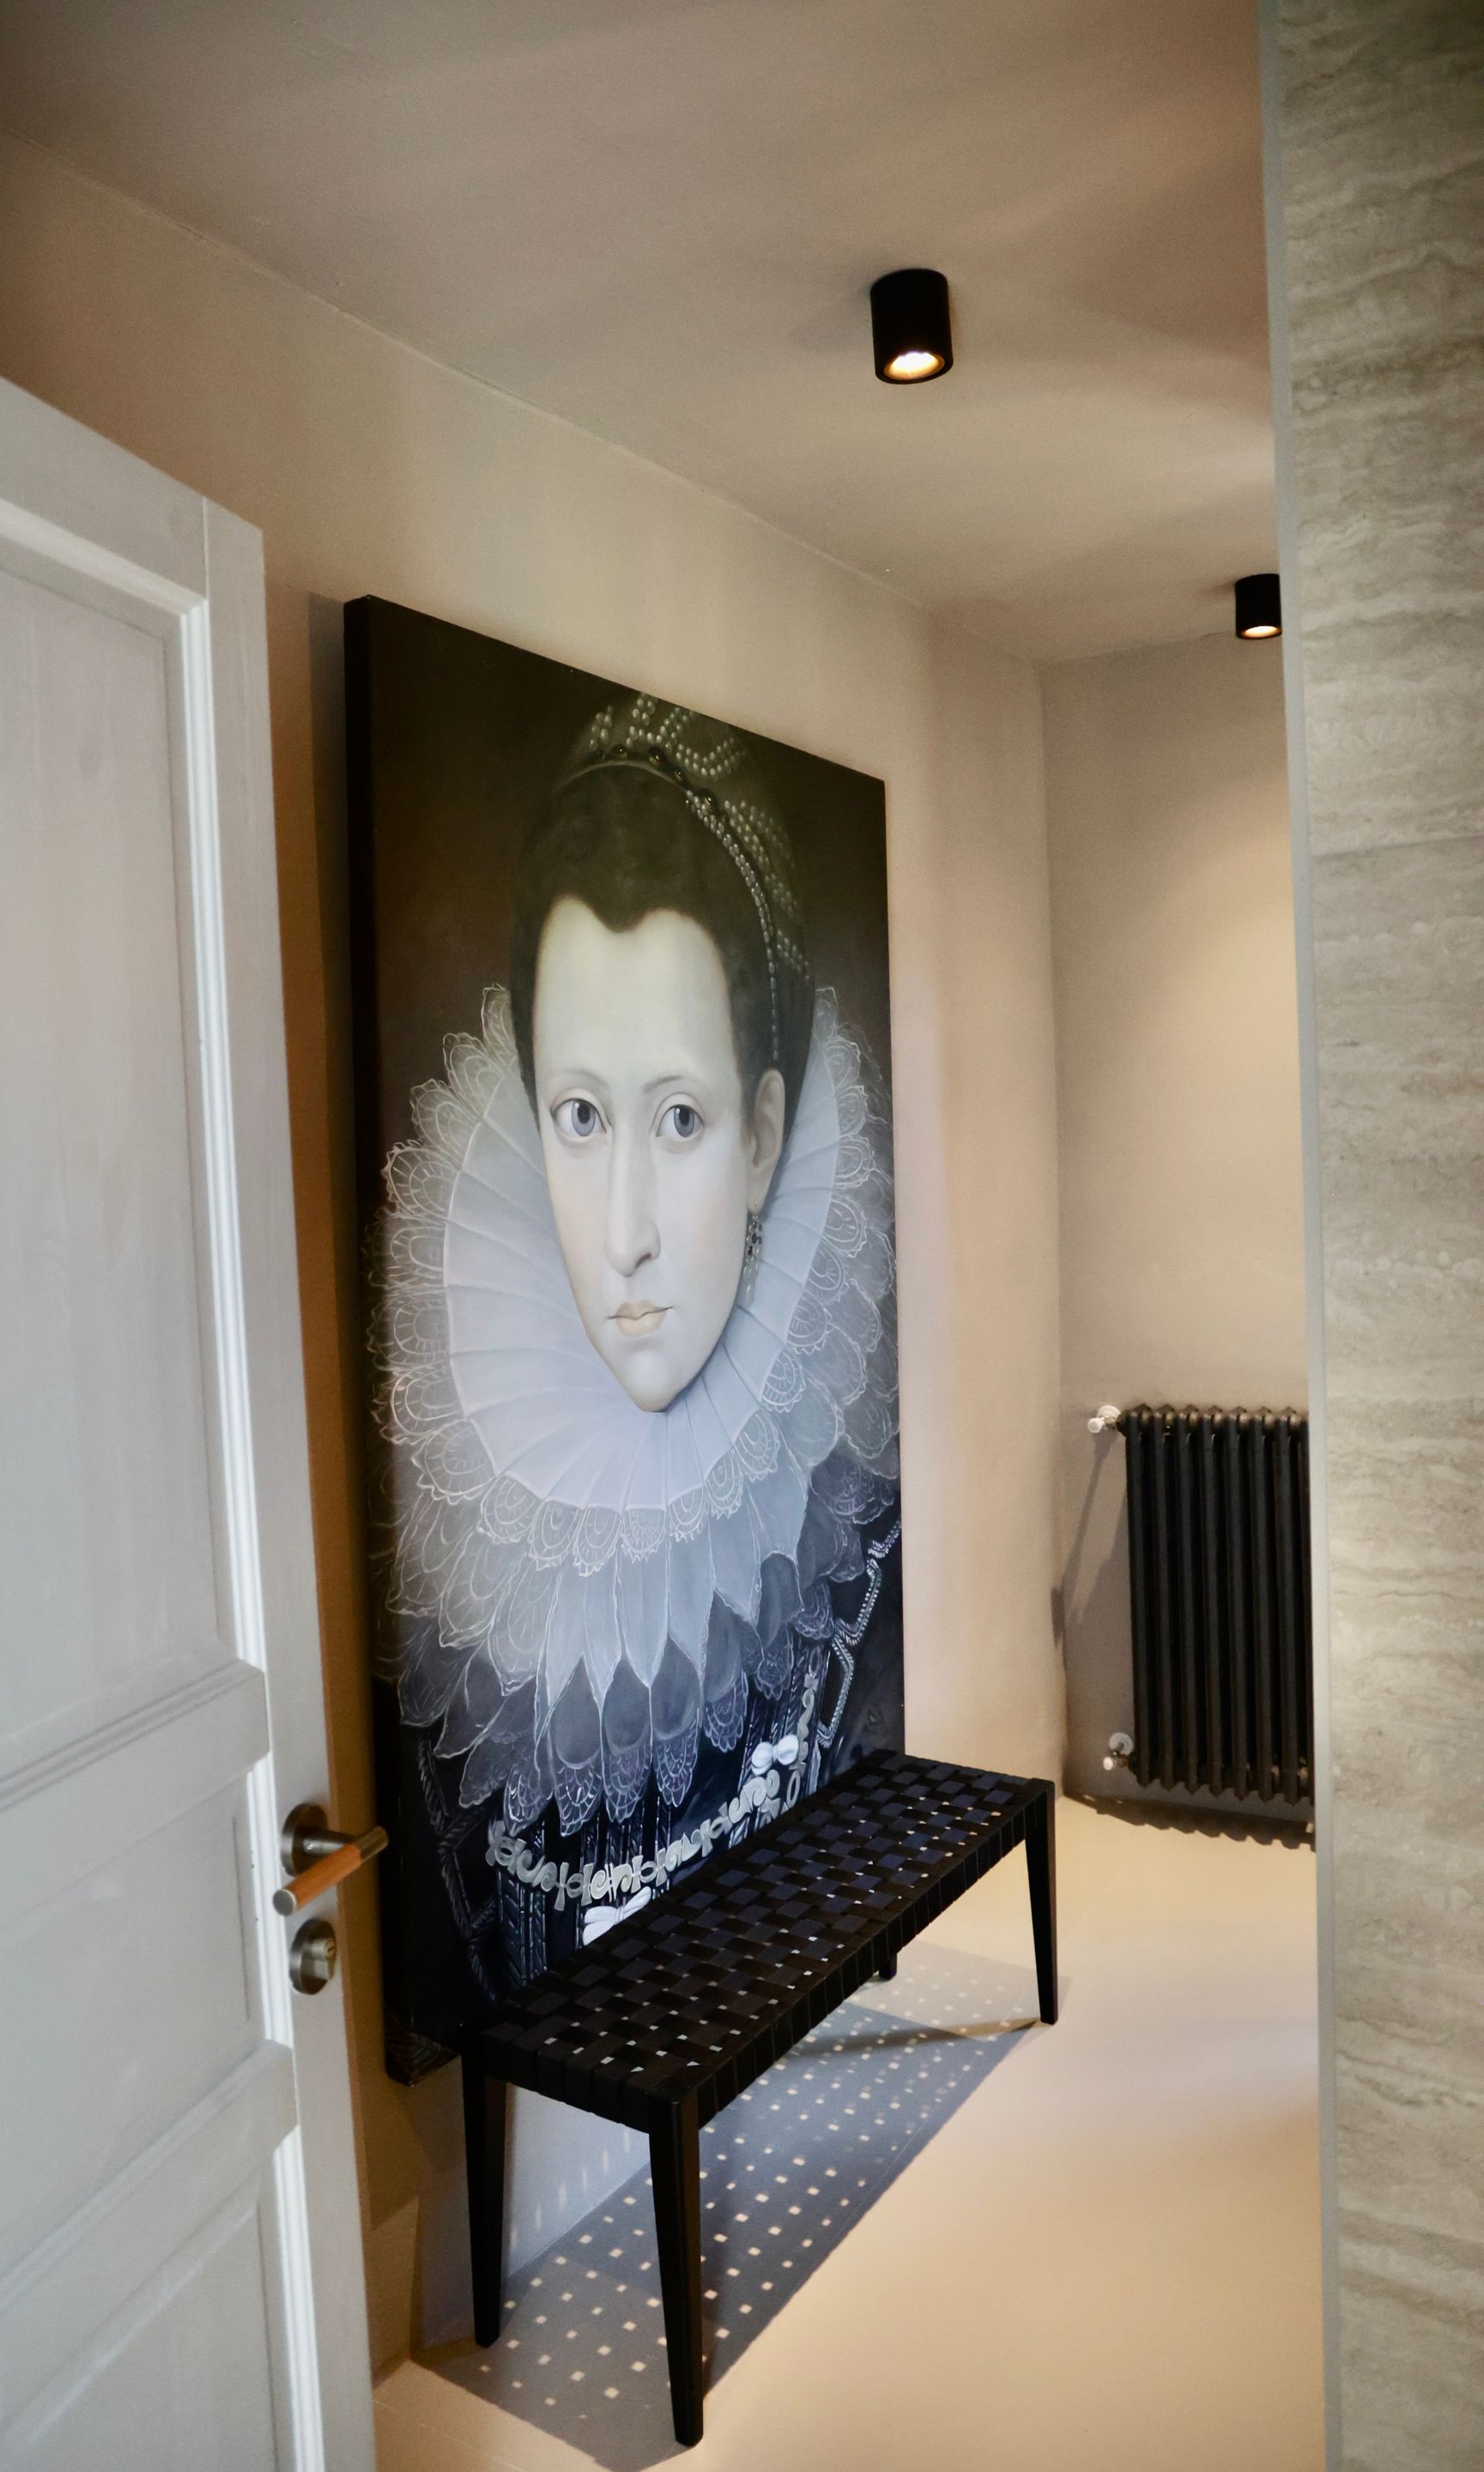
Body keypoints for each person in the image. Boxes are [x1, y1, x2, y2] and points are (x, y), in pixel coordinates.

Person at [373, 695, 900, 2059]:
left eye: (680, 1120)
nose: (625, 1235)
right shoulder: (464, 1562)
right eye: (580, 1117)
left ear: (766, 1136)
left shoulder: (853, 1521)